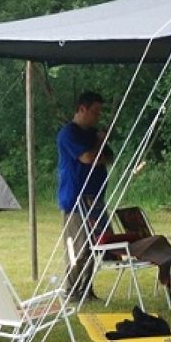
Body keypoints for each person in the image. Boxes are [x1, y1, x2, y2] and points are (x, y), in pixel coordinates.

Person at [57, 91, 112, 299]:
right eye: (95, 112)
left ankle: (86, 290)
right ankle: (71, 290)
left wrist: (98, 148)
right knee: (77, 249)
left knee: (95, 247)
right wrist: (98, 143)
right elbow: (89, 157)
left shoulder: (92, 134)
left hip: (95, 199)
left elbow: (108, 156)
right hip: (75, 199)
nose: (98, 116)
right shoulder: (68, 133)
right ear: (82, 109)